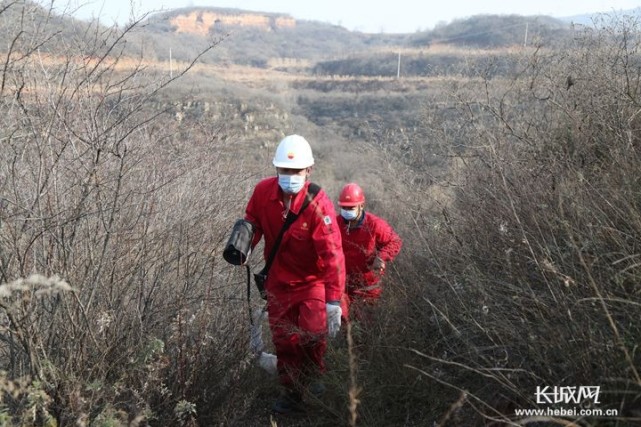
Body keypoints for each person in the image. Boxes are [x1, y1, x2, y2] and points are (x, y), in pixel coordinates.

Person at [244, 134, 345, 414]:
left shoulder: (317, 204)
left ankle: (314, 381)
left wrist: (333, 300)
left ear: (308, 171)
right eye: (285, 170)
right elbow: (252, 222)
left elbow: (333, 254)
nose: (290, 176)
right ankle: (292, 394)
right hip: (278, 283)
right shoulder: (263, 193)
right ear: (277, 169)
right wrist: (244, 245)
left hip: (311, 283)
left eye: (296, 171)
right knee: (285, 341)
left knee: (312, 335)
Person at [336, 183, 402, 323]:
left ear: (361, 205)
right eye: (344, 207)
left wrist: (382, 257)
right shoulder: (335, 224)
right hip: (343, 287)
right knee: (341, 322)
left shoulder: (375, 224)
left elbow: (395, 241)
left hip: (368, 287)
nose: (347, 211)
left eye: (351, 207)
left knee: (365, 325)